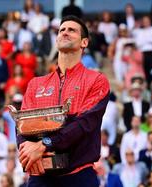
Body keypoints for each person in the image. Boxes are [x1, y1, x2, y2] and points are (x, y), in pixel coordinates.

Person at [17, 15, 110, 186]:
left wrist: (45, 144)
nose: (65, 32)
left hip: (79, 175)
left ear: (84, 42)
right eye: (62, 30)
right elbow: (23, 128)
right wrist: (28, 154)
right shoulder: (35, 84)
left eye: (72, 30)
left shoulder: (96, 80)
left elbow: (83, 125)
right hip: (41, 176)